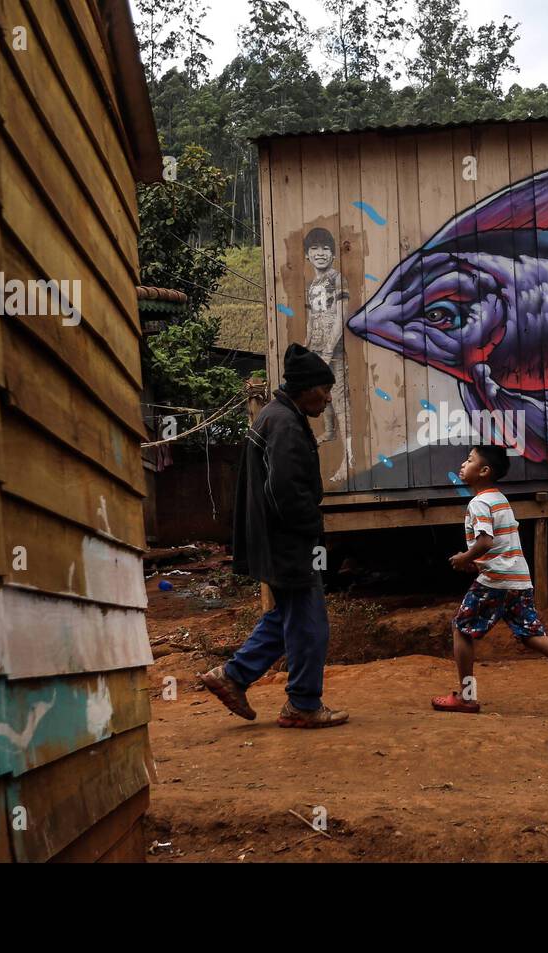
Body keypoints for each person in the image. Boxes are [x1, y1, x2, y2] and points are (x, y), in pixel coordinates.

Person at [200, 343, 349, 729]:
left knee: (289, 616)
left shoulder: (277, 416)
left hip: (275, 539)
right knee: (310, 622)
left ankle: (232, 677)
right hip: (288, 541)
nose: (328, 397)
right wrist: (311, 528)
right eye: (324, 388)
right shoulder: (283, 423)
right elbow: (283, 491)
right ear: (304, 387)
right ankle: (302, 703)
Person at [432, 445, 548, 717]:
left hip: (495, 581)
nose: (462, 464)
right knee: (532, 635)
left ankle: (467, 698)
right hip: (518, 580)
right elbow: (499, 544)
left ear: (483, 471)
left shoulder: (479, 502)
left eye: (469, 460)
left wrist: (464, 557)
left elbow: (485, 541)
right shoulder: (500, 499)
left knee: (461, 629)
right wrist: (476, 561)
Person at [303, 227, 349, 445]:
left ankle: (347, 455)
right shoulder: (311, 285)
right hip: (316, 349)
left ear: (333, 254)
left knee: (339, 397)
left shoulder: (337, 278)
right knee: (322, 394)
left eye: (325, 248)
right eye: (314, 248)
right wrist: (306, 346)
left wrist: (330, 349)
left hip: (334, 350)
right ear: (307, 254)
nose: (320, 253)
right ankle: (330, 431)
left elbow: (341, 316)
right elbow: (311, 319)